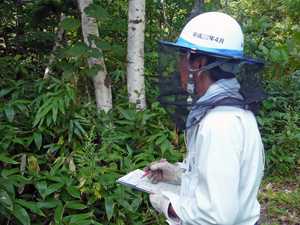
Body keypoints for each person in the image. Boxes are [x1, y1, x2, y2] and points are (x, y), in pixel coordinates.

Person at [143, 12, 269, 225]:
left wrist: (168, 205)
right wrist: (176, 174)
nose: (178, 64)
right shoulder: (231, 110)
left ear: (199, 64)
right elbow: (225, 184)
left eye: (182, 56)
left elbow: (215, 217)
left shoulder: (218, 125)